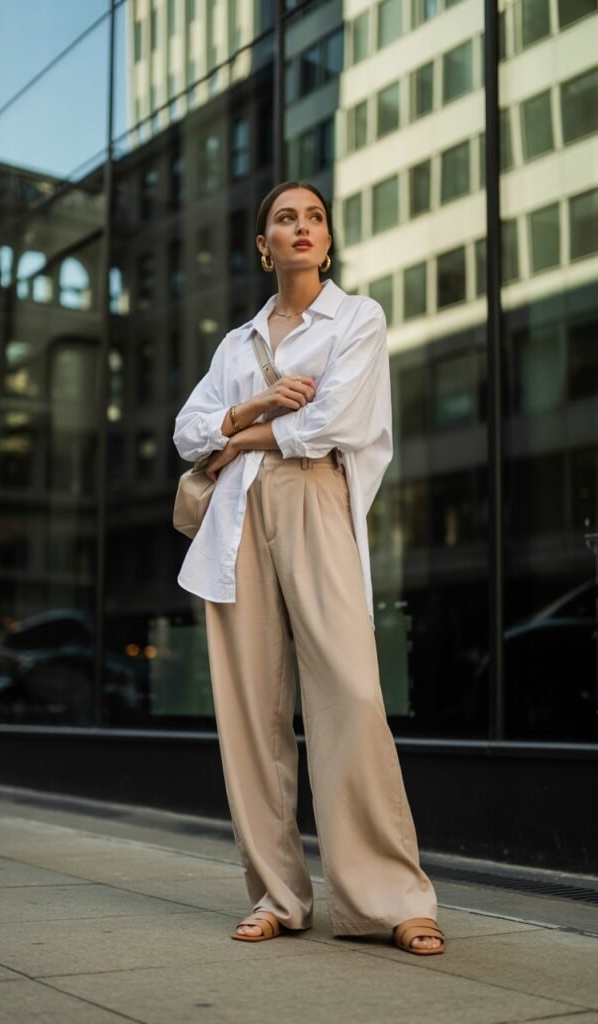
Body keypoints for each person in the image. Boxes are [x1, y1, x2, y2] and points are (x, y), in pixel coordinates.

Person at [173, 181, 445, 955]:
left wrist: (241, 440)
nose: (301, 228)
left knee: (353, 697)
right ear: (263, 246)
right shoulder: (237, 345)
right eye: (284, 219)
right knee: (251, 718)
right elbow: (186, 430)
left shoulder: (358, 319)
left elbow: (337, 422)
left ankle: (390, 898)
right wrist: (253, 410)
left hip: (315, 504)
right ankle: (275, 895)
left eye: (314, 218)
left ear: (327, 241)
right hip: (236, 523)